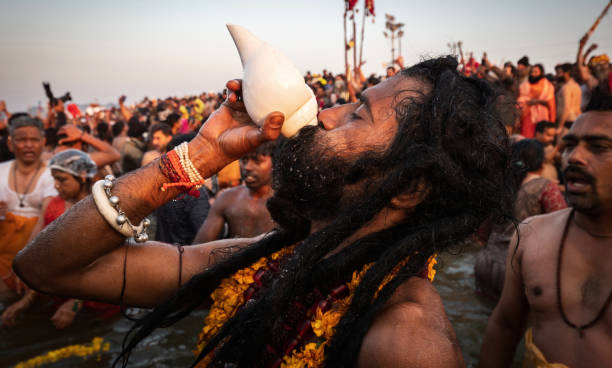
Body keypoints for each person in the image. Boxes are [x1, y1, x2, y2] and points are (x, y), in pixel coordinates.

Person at [15, 57, 512, 367]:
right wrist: (197, 157)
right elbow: (45, 267)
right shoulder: (263, 262)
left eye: (357, 114)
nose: (326, 114)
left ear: (408, 187)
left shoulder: (407, 343)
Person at [479, 87, 612, 368]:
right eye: (570, 144)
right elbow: (504, 325)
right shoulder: (531, 234)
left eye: (598, 147)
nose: (574, 156)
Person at [2, 149, 119, 328]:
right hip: (61, 292)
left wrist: (74, 304)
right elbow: (44, 254)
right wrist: (27, 299)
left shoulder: (100, 210)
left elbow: (107, 264)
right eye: (54, 179)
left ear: (82, 177)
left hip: (96, 300)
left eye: (62, 180)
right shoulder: (54, 205)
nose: (56, 185)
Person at [474, 139, 566, 300]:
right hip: (519, 268)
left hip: (486, 263)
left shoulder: (499, 185)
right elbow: (565, 229)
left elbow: (482, 233)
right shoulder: (545, 188)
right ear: (542, 164)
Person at [0, 116, 56, 294]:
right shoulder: (1, 171)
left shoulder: (52, 174)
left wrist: (23, 264)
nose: (29, 145)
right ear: (10, 143)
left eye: (34, 140)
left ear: (43, 142)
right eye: (22, 140)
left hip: (37, 252)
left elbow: (44, 218)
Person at [193, 140, 278, 243]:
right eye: (244, 160)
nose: (247, 167)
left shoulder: (286, 202)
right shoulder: (227, 199)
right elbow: (200, 246)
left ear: (274, 163)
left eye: (257, 161)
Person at [154, 133, 210, 245]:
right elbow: (204, 236)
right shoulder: (194, 192)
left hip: (162, 252)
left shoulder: (161, 185)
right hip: (185, 256)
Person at [518, 64, 556, 138]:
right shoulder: (524, 85)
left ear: (541, 73)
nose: (533, 74)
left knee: (541, 138)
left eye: (536, 72)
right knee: (526, 138)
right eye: (532, 72)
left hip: (542, 117)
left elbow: (551, 103)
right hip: (527, 115)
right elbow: (520, 100)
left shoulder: (548, 86)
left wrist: (538, 101)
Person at [555, 63, 582, 134]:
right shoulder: (576, 86)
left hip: (567, 121)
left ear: (566, 73)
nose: (557, 75)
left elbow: (566, 107)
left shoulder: (566, 87)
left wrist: (560, 126)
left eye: (560, 73)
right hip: (576, 119)